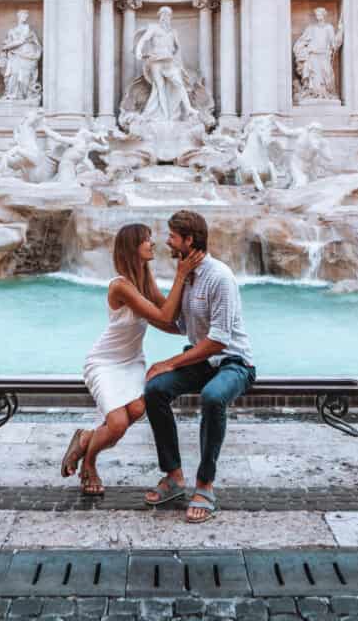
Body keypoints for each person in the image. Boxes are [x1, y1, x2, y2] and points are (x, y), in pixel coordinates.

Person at [60, 223, 203, 495]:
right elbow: (162, 316)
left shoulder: (145, 283)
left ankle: (85, 438)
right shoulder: (120, 286)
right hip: (105, 361)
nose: (152, 245)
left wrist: (199, 332)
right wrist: (181, 275)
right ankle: (89, 463)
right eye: (146, 241)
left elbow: (170, 320)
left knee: (137, 410)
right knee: (117, 423)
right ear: (131, 248)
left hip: (132, 361)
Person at [144, 210, 255, 523]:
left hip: (234, 362)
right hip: (201, 360)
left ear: (189, 240)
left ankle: (205, 485)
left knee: (213, 396)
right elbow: (178, 324)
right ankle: (175, 476)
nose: (167, 241)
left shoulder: (220, 276)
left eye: (172, 237)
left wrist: (170, 362)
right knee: (154, 389)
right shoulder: (187, 275)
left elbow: (219, 341)